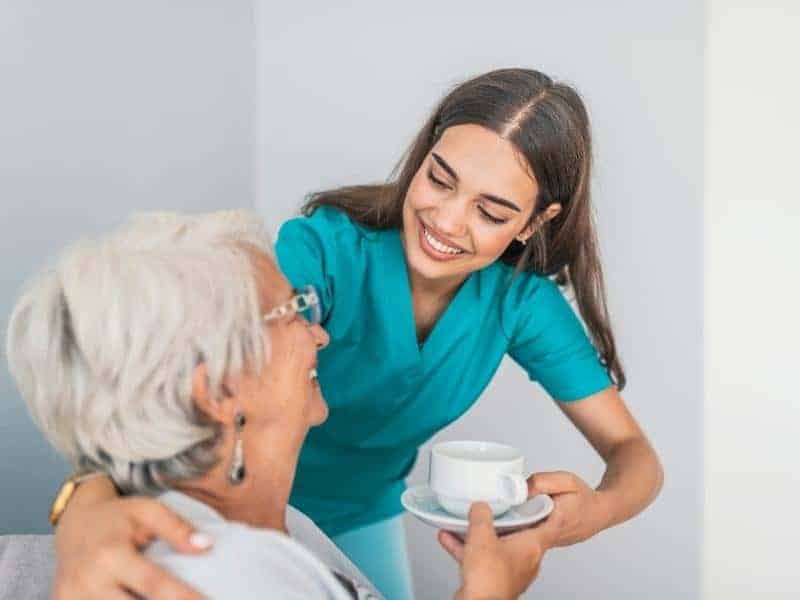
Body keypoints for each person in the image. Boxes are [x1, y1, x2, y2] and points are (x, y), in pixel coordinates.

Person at [52, 68, 664, 599]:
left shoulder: (520, 305)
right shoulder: (323, 250)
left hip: (359, 517)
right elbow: (190, 375)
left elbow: (636, 458)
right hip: (226, 504)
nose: (446, 220)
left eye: (492, 211)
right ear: (421, 156)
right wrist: (86, 504)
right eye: (440, 179)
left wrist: (592, 514)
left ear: (537, 222)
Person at [6, 211, 529, 600]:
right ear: (216, 392)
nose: (321, 336)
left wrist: (85, 495)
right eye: (295, 311)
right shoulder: (226, 573)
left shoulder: (264, 526)